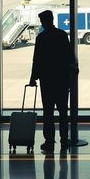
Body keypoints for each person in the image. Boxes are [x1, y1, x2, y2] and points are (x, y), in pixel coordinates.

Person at [29, 10, 78, 153]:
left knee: (48, 112)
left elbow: (36, 59)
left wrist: (33, 78)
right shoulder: (62, 35)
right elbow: (70, 57)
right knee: (63, 112)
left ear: (43, 22)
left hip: (47, 80)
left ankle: (49, 141)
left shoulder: (41, 38)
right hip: (62, 80)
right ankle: (64, 140)